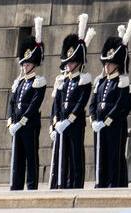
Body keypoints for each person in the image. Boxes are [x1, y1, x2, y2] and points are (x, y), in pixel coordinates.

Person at [90, 23, 131, 188]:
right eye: (105, 63)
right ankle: (101, 181)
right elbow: (93, 103)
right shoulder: (101, 81)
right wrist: (93, 119)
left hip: (115, 125)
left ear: (117, 64)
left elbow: (122, 105)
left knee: (114, 154)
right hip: (100, 124)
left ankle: (114, 182)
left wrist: (108, 120)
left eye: (110, 63)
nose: (106, 66)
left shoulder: (122, 81)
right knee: (100, 154)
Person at [51, 21, 94, 190]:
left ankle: (76, 184)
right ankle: (61, 183)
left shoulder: (84, 79)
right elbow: (57, 102)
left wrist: (69, 120)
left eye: (71, 61)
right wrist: (55, 121)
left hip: (75, 123)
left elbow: (81, 102)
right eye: (67, 61)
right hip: (61, 122)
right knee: (62, 155)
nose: (68, 64)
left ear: (78, 62)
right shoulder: (63, 80)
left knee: (76, 155)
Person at [9, 19, 47, 191]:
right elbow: (12, 102)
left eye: (28, 64)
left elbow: (34, 103)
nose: (25, 66)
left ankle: (31, 185)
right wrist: (11, 120)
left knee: (31, 156)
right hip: (17, 124)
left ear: (34, 64)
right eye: (24, 64)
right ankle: (16, 185)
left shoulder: (38, 81)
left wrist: (22, 120)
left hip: (29, 124)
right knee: (17, 156)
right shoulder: (19, 82)